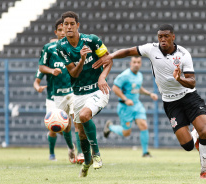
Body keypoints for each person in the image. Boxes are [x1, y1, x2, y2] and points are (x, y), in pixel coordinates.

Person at [93, 24, 206, 179]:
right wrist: (111, 56)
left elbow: (192, 81)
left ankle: (204, 170)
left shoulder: (183, 54)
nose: (162, 39)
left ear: (173, 37)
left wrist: (179, 79)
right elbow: (128, 51)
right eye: (160, 36)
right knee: (188, 146)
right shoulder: (151, 49)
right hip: (171, 102)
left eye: (166, 36)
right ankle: (193, 137)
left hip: (189, 96)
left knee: (204, 129)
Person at [56, 11, 112, 177]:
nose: (69, 27)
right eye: (66, 24)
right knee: (80, 133)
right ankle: (87, 162)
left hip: (98, 89)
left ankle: (96, 154)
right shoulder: (61, 47)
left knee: (85, 114)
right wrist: (82, 59)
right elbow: (73, 73)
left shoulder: (92, 40)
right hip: (78, 93)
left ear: (77, 25)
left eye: (72, 23)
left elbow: (108, 59)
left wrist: (102, 77)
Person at [35, 18, 83, 164]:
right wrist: (51, 71)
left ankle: (80, 153)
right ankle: (70, 148)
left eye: (65, 29)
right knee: (63, 125)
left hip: (73, 92)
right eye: (60, 30)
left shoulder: (74, 47)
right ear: (56, 32)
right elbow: (41, 68)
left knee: (77, 121)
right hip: (55, 95)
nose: (64, 32)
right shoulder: (49, 49)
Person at [103, 56, 158, 157]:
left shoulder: (139, 75)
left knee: (144, 125)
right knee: (126, 133)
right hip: (125, 107)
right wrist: (125, 99)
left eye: (138, 62)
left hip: (137, 105)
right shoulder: (125, 75)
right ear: (130, 63)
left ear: (140, 64)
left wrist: (150, 94)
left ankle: (145, 152)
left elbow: (138, 88)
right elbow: (115, 88)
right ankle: (110, 127)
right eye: (134, 62)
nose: (136, 64)